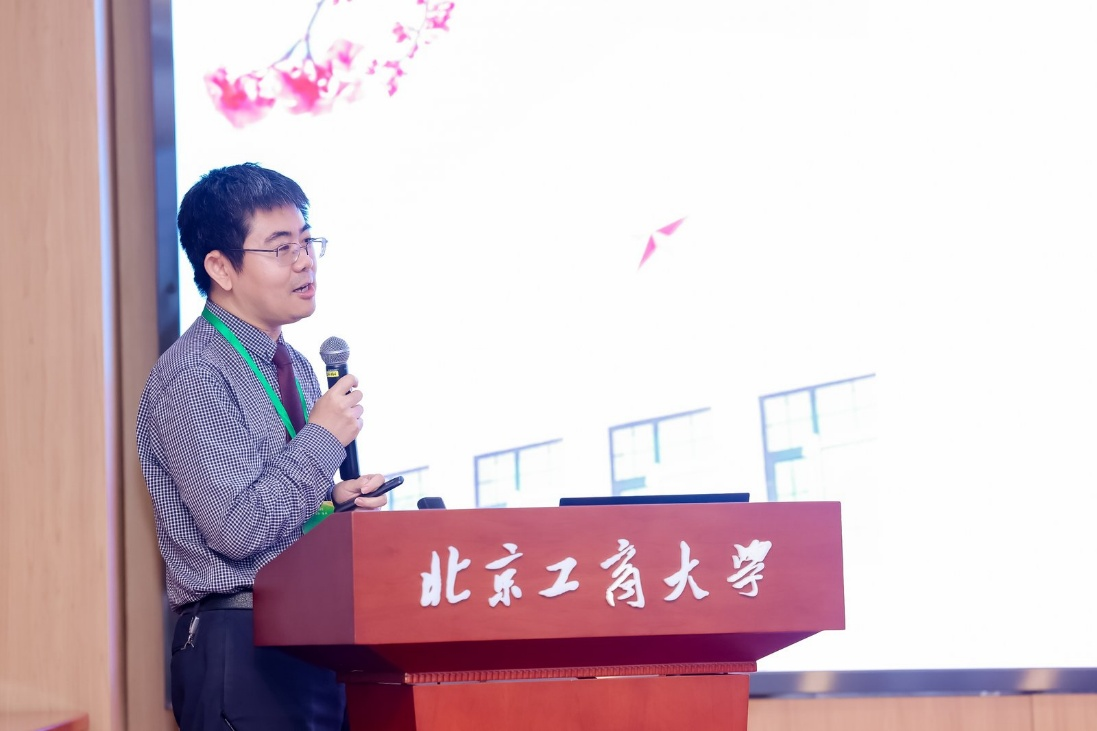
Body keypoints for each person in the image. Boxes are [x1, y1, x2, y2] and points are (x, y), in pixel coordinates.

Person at [136, 163, 387, 731]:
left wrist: (335, 500)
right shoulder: (193, 373)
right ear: (220, 267)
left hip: (315, 635)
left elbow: (280, 502)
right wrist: (323, 438)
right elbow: (236, 529)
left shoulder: (295, 364)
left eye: (307, 241)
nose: (305, 261)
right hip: (242, 641)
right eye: (280, 248)